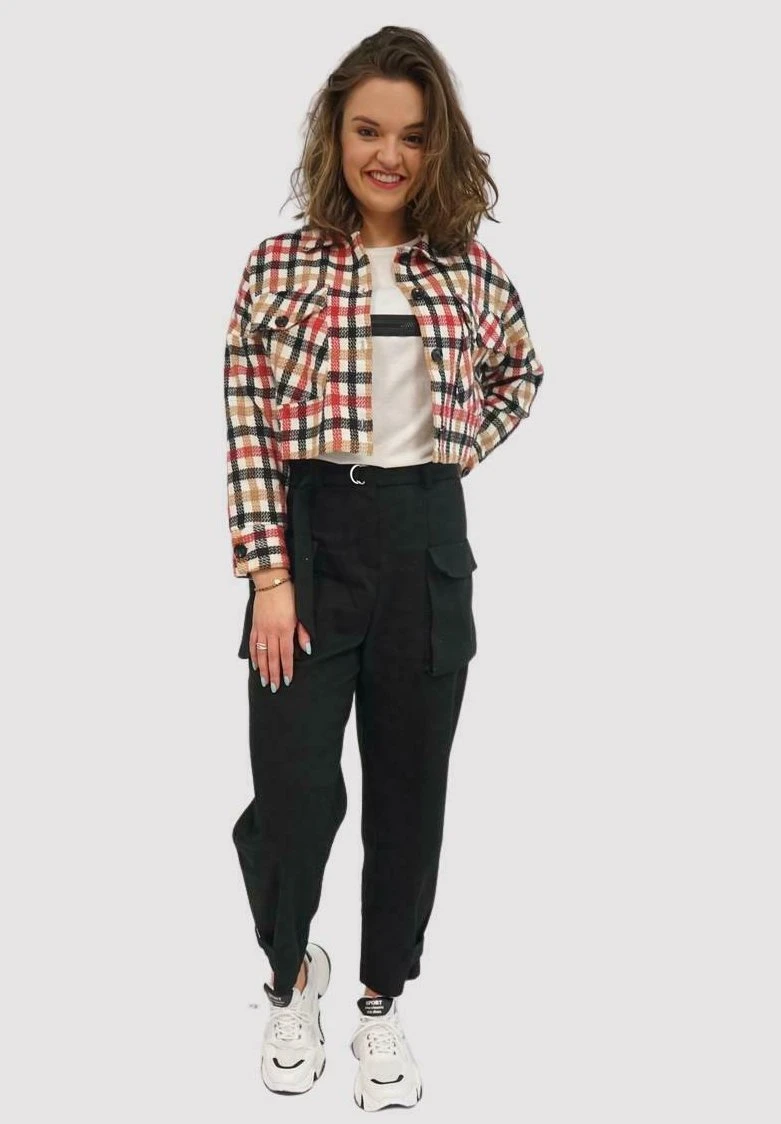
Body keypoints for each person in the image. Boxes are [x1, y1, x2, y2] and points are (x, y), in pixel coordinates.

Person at [223, 25, 545, 1111]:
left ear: (435, 145)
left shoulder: (469, 271)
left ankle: (378, 1002)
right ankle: (288, 976)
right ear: (336, 134)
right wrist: (269, 576)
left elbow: (520, 374)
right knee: (293, 789)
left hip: (425, 546)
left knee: (409, 792)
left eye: (411, 136)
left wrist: (456, 446)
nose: (388, 155)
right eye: (368, 130)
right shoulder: (276, 267)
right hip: (310, 543)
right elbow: (248, 426)